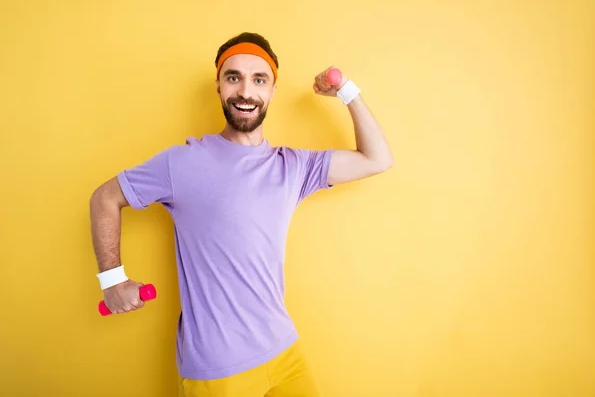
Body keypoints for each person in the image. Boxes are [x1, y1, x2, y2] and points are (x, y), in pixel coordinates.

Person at [89, 32, 393, 397]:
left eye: (258, 79)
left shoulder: (293, 167)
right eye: (234, 77)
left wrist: (345, 90)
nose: (246, 91)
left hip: (285, 352)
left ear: (271, 90)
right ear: (218, 87)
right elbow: (105, 198)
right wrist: (112, 282)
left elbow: (377, 159)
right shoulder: (182, 163)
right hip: (218, 371)